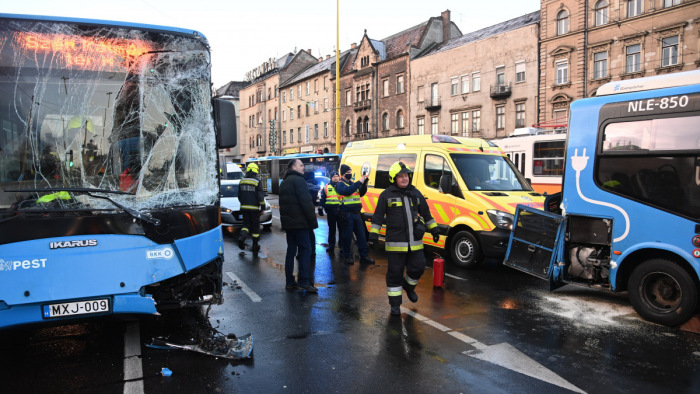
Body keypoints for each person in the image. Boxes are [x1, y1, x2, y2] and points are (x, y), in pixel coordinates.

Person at [368, 161, 440, 315]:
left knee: (419, 267)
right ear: (393, 178)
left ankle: (409, 287)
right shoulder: (386, 195)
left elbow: (426, 213)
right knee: (395, 274)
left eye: (406, 175)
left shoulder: (416, 193)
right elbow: (378, 217)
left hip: (415, 242)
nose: (404, 178)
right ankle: (395, 305)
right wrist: (373, 235)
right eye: (400, 176)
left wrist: (434, 229)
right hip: (395, 243)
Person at [279, 159, 319, 292]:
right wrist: (313, 222)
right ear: (294, 167)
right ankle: (304, 281)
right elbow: (306, 203)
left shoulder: (284, 182)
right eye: (301, 165)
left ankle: (289, 281)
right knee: (305, 250)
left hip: (289, 224)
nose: (304, 168)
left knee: (291, 251)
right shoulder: (299, 181)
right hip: (301, 224)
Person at [336, 164, 374, 266]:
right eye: (348, 173)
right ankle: (347, 256)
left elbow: (360, 193)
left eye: (350, 172)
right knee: (347, 237)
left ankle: (364, 256)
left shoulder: (353, 184)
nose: (350, 174)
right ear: (343, 174)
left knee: (361, 237)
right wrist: (359, 182)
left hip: (357, 214)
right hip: (346, 215)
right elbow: (348, 191)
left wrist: (364, 185)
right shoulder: (340, 185)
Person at [237, 163, 266, 253]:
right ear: (255, 170)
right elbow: (260, 196)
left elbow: (239, 195)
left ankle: (242, 237)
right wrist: (262, 207)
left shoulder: (242, 181)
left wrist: (243, 204)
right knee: (255, 227)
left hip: (244, 208)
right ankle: (255, 245)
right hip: (254, 209)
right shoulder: (257, 181)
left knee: (246, 225)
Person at [318, 171, 343, 253]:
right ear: (331, 178)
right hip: (331, 212)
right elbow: (322, 199)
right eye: (334, 176)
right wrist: (320, 208)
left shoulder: (342, 186)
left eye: (337, 176)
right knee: (332, 230)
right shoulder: (326, 187)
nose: (335, 178)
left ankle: (341, 246)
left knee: (341, 230)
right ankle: (331, 246)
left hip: (340, 211)